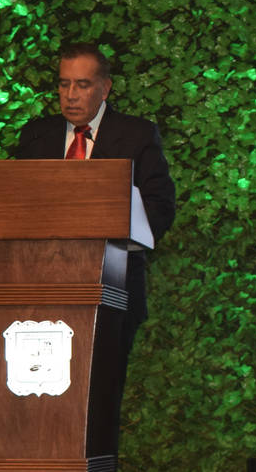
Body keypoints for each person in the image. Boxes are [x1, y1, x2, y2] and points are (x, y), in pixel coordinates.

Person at [14, 42, 176, 365]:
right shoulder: (35, 135)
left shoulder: (137, 135)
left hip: (112, 289)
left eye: (82, 85)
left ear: (105, 88)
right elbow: (14, 204)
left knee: (100, 387)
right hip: (39, 288)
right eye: (64, 84)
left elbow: (160, 207)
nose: (70, 95)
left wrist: (113, 235)